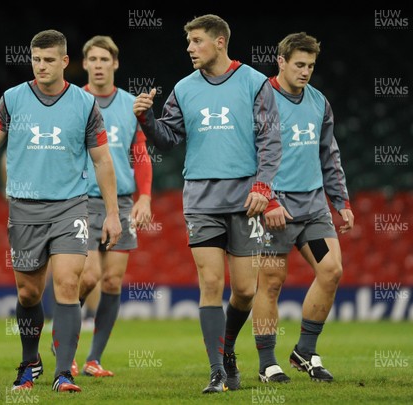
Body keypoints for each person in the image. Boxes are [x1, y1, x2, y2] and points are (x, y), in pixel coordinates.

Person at [0, 29, 122, 394]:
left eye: (48, 60)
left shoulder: (84, 104)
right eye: (35, 60)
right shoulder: (12, 100)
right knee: (28, 294)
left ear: (64, 61)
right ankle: (30, 362)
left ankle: (64, 373)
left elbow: (103, 160)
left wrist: (111, 213)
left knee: (68, 284)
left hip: (71, 206)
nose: (41, 66)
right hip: (24, 208)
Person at [133, 14, 282, 393]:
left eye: (196, 41)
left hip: (246, 199)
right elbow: (168, 139)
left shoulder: (254, 82)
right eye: (189, 42)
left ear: (219, 42)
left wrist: (263, 187)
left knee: (246, 290)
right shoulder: (184, 88)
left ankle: (227, 349)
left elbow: (271, 140)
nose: (189, 48)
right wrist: (147, 120)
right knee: (212, 282)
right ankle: (217, 370)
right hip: (200, 199)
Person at [226, 32, 354, 384]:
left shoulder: (319, 102)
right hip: (273, 211)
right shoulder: (259, 99)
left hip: (312, 209)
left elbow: (329, 154)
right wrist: (267, 200)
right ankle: (267, 363)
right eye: (299, 64)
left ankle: (305, 352)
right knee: (271, 283)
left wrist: (340, 201)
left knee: (331, 270)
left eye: (311, 66)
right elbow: (244, 156)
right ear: (280, 61)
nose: (306, 72)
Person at [77, 35, 153, 378]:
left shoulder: (130, 105)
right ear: (84, 64)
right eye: (92, 59)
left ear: (115, 64)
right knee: (89, 276)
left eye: (104, 59)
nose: (97, 65)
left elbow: (140, 154)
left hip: (121, 202)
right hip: (81, 200)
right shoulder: (73, 101)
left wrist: (145, 196)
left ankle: (94, 358)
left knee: (111, 282)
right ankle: (63, 337)